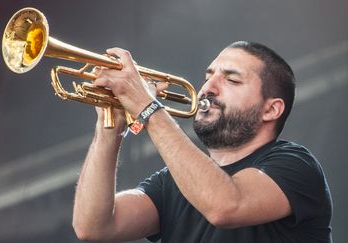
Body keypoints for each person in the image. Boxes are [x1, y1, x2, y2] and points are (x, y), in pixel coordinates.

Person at [72, 41, 333, 243]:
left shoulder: (296, 164)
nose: (208, 87)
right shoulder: (171, 182)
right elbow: (93, 227)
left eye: (231, 79)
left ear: (271, 110)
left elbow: (225, 205)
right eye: (209, 76)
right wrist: (109, 127)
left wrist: (147, 106)